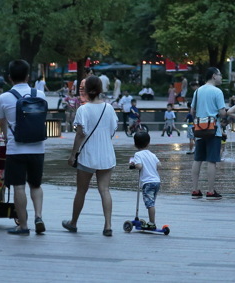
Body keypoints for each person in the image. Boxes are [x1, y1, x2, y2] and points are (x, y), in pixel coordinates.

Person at [0, 59, 47, 236]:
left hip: (16, 149)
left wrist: (5, 137)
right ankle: (38, 216)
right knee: (36, 185)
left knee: (18, 187)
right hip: (38, 148)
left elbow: (3, 127)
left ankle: (23, 225)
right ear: (28, 76)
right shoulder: (40, 95)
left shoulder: (3, 98)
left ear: (10, 77)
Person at [63, 75, 118, 235]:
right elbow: (113, 129)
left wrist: (73, 154)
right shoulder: (109, 108)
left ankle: (73, 222)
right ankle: (108, 226)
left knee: (81, 191)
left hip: (88, 155)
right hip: (106, 154)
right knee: (105, 190)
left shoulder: (83, 109)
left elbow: (80, 134)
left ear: (87, 91)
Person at [189, 67, 227, 199]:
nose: (221, 77)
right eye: (220, 74)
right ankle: (210, 191)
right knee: (212, 160)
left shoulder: (198, 91)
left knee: (198, 159)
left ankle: (195, 189)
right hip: (213, 130)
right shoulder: (217, 92)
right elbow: (222, 112)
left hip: (199, 129)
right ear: (213, 76)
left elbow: (192, 111)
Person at [128, 131, 161, 228]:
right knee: (152, 202)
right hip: (156, 181)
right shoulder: (152, 154)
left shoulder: (138, 154)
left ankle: (152, 223)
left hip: (148, 182)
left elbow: (139, 166)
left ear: (135, 144)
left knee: (150, 204)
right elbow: (159, 165)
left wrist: (133, 165)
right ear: (148, 143)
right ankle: (151, 222)